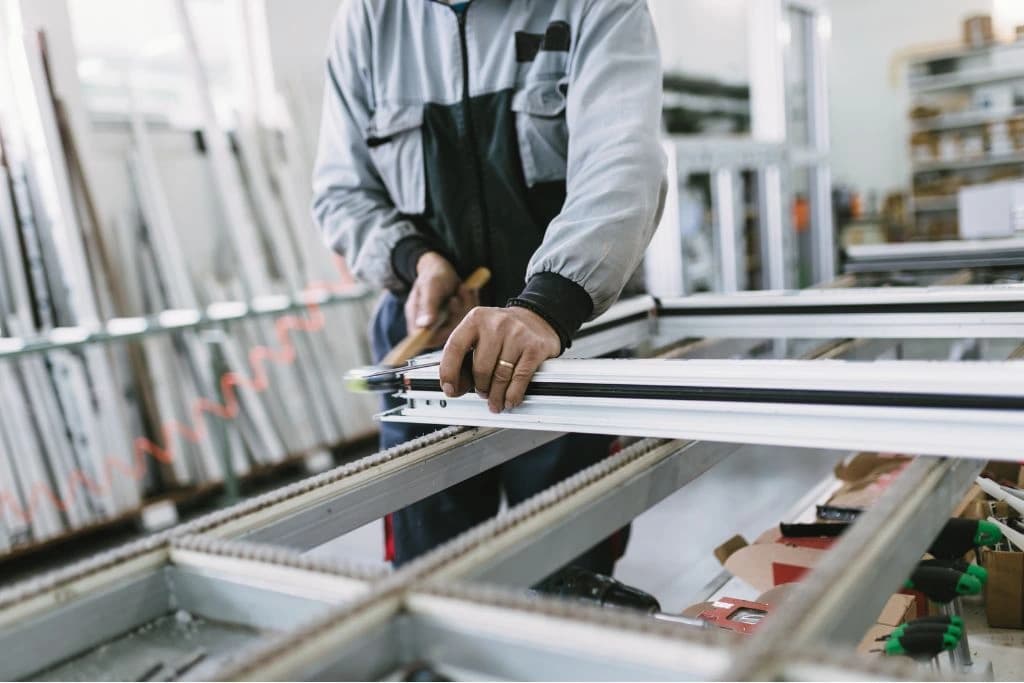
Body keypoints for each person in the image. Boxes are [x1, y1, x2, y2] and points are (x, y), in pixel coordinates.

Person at [313, 0, 666, 570]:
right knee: (428, 577)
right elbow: (341, 191)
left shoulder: (595, 7)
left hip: (563, 342)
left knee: (568, 579)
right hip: (430, 353)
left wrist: (546, 305)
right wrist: (416, 261)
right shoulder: (370, 19)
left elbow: (622, 162)